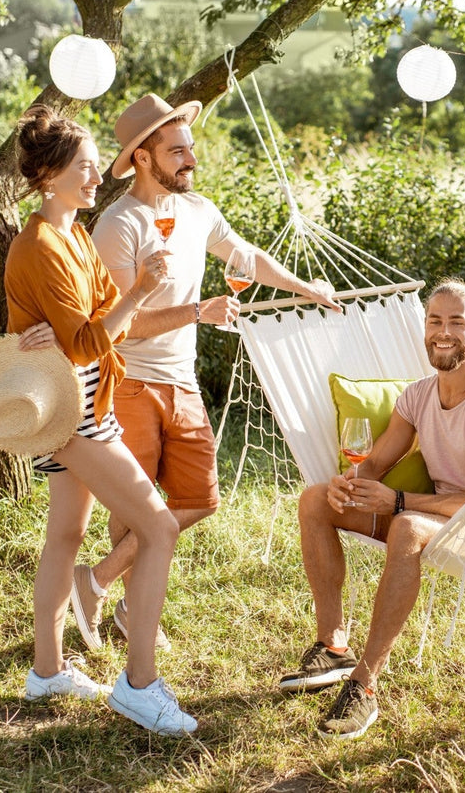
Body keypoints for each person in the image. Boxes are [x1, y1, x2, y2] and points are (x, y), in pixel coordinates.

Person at [69, 93, 341, 651]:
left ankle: (94, 580)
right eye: (177, 151)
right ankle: (131, 610)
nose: (190, 158)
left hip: (182, 381)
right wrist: (198, 311)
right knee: (133, 507)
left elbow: (247, 256)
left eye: (190, 147)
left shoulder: (199, 211)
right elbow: (119, 326)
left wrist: (306, 288)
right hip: (130, 384)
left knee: (201, 498)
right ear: (143, 158)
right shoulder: (118, 226)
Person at [5, 104, 196, 735]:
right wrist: (135, 295)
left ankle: (47, 670)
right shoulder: (38, 245)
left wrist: (123, 307)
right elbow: (93, 338)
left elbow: (105, 326)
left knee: (65, 536)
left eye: (94, 168)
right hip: (70, 415)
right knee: (160, 527)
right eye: (85, 168)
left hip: (88, 402)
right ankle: (140, 686)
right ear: (50, 176)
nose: (95, 179)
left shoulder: (77, 238)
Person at [278, 279, 465, 740]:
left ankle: (365, 684)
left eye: (457, 322)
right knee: (315, 498)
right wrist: (346, 486)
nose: (444, 331)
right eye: (435, 320)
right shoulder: (417, 394)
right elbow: (375, 462)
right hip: (429, 513)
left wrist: (398, 501)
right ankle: (333, 646)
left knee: (408, 526)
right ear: (425, 327)